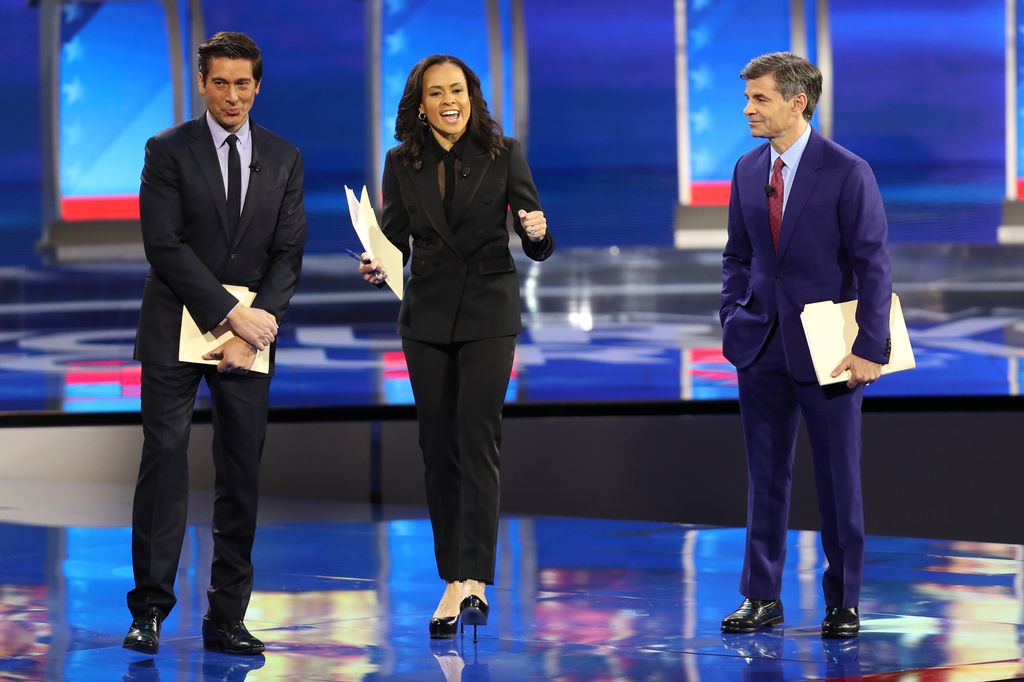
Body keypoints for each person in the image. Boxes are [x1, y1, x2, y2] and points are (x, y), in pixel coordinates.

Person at [123, 31, 306, 655]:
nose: (233, 95)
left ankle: (227, 618)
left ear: (258, 86)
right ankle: (148, 610)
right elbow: (163, 245)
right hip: (180, 321)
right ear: (202, 83)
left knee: (240, 477)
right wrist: (231, 315)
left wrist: (256, 328)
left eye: (244, 83)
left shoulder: (283, 157)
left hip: (251, 336)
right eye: (220, 82)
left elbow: (288, 254)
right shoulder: (167, 149)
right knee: (165, 464)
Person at [360, 54, 554, 640]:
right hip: (426, 318)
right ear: (419, 103)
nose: (450, 100)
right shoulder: (402, 162)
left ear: (472, 96)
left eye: (459, 89)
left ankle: (477, 580)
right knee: (437, 446)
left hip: (489, 313)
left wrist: (539, 234)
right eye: (436, 92)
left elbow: (535, 231)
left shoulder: (504, 152)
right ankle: (451, 579)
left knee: (477, 438)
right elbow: (394, 239)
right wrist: (377, 264)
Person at [719, 52, 891, 639]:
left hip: (831, 351)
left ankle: (843, 601)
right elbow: (736, 256)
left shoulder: (847, 171)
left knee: (838, 480)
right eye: (748, 98)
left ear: (798, 102)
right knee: (764, 477)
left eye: (759, 98)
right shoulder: (745, 169)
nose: (748, 109)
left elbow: (873, 266)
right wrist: (731, 314)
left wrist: (872, 347)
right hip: (759, 344)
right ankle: (761, 595)